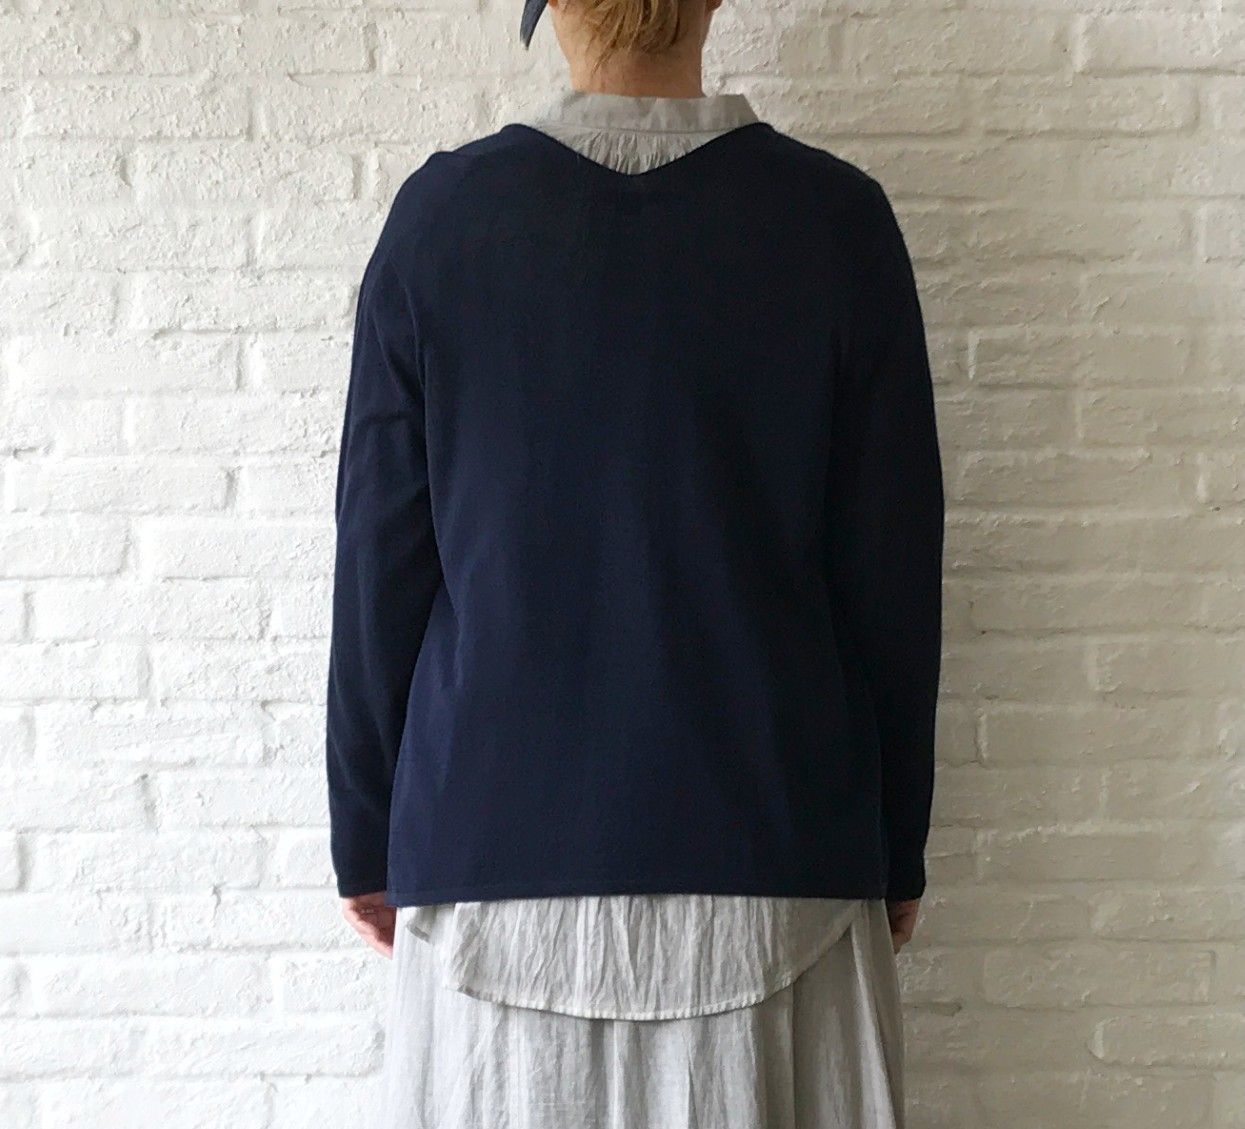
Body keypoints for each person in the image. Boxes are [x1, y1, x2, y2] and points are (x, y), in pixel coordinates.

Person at [324, 1, 945, 1125]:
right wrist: (893, 844)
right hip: (780, 863)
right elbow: (891, 576)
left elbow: (380, 567)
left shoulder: (441, 224)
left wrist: (365, 836)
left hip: (491, 869)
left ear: (553, 8)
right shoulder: (836, 224)